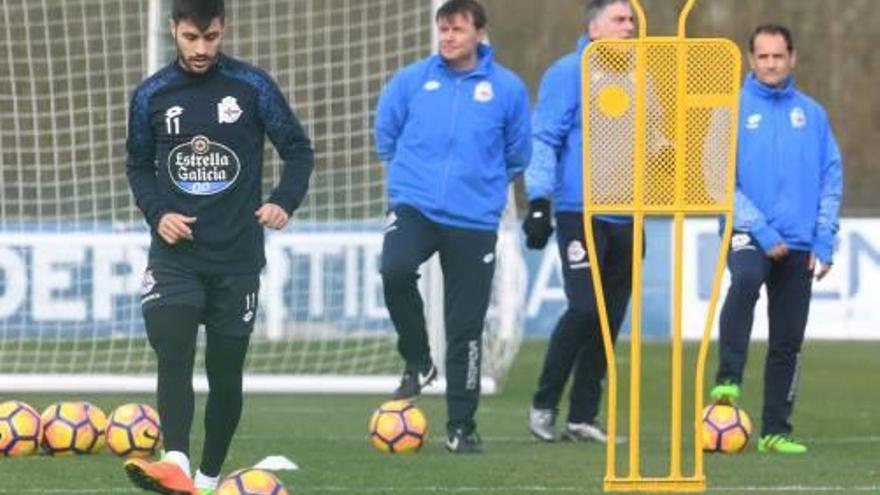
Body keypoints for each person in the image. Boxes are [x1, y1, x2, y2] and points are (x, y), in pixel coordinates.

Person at [123, 0, 314, 492]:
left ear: (223, 29)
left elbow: (297, 150)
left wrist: (283, 201)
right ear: (174, 31)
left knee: (225, 375)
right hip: (175, 258)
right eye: (191, 38)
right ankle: (178, 465)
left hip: (237, 257)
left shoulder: (251, 88)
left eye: (210, 37)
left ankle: (207, 478)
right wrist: (158, 213)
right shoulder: (152, 94)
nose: (202, 48)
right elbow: (138, 165)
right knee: (173, 350)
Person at [374, 0, 531, 454]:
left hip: (474, 218)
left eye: (457, 30)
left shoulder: (507, 89)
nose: (447, 38)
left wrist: (483, 188)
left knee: (466, 326)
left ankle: (462, 426)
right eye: (442, 30)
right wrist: (410, 178)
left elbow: (518, 153)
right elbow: (386, 132)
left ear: (479, 33)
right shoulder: (412, 80)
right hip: (415, 205)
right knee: (395, 269)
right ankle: (419, 359)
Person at [709, 24, 843, 454]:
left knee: (788, 339)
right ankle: (728, 380)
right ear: (751, 60)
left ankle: (774, 430)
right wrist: (761, 230)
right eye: (762, 57)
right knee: (745, 280)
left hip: (800, 242)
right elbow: (717, 179)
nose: (770, 64)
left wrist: (825, 239)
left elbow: (830, 178)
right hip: (749, 232)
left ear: (792, 58)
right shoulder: (728, 110)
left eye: (778, 56)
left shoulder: (814, 115)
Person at [524, 0, 637, 443]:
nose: (629, 27)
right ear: (594, 28)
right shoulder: (568, 72)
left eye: (632, 20)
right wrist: (539, 200)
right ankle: (544, 403)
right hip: (580, 211)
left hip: (628, 214)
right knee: (584, 308)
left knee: (609, 319)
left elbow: (656, 137)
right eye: (620, 20)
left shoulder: (642, 77)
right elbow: (545, 137)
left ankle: (583, 416)